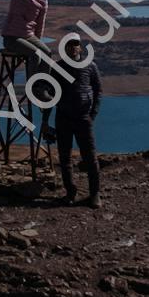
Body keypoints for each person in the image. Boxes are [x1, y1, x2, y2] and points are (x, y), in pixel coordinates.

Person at [54, 36, 102, 208]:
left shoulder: (90, 66)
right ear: (64, 48)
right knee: (65, 158)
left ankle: (95, 194)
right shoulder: (58, 67)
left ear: (80, 48)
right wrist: (45, 121)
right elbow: (51, 94)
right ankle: (70, 192)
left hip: (83, 119)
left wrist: (92, 114)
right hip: (63, 118)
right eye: (69, 45)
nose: (73, 48)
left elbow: (98, 90)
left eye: (75, 44)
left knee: (90, 157)